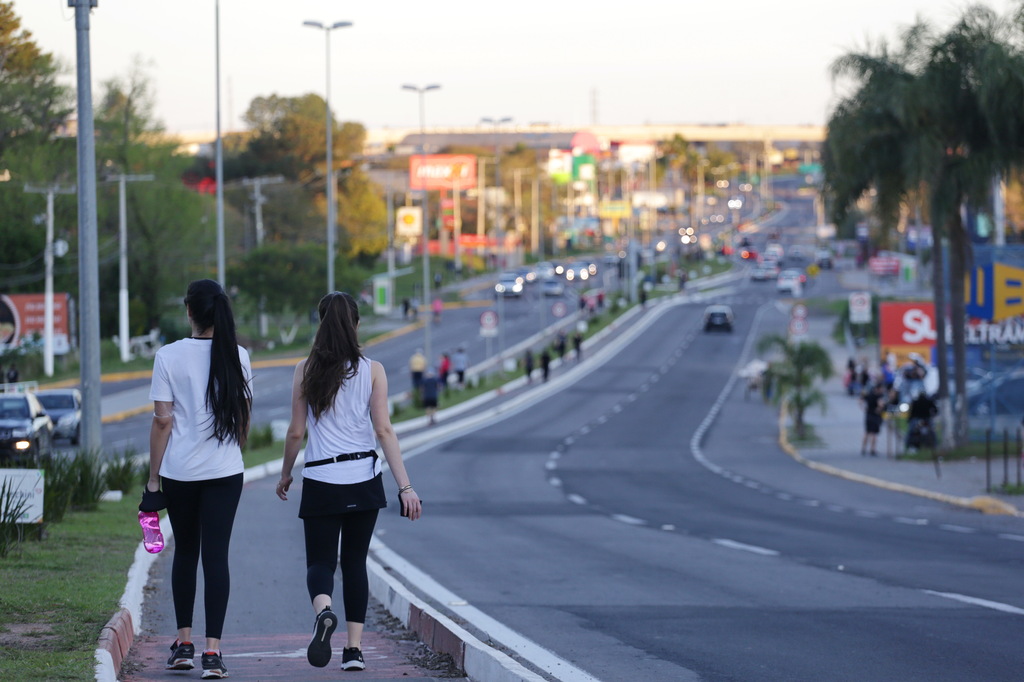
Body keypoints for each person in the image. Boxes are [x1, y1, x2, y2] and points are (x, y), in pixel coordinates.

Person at [276, 292, 421, 673]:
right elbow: (384, 429)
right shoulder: (372, 369)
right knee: (355, 563)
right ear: (355, 325)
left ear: (320, 323)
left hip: (322, 477)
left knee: (321, 562)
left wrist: (286, 473)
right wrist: (405, 486)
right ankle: (354, 651)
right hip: (363, 479)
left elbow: (295, 432)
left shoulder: (305, 369)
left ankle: (324, 612)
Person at [147, 279, 253, 679]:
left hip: (181, 473)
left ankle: (184, 645)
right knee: (216, 556)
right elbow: (243, 419)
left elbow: (162, 421)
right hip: (225, 472)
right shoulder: (238, 356)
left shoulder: (168, 356)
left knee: (186, 553)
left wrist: (153, 480)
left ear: (189, 311)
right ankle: (213, 653)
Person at [860, 381, 885, 456]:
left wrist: (863, 408)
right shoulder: (879, 396)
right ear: (878, 389)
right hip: (875, 416)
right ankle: (872, 449)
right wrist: (879, 409)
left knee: (867, 432)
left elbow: (860, 400)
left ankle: (863, 448)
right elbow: (881, 404)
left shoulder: (869, 394)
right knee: (874, 433)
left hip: (868, 415)